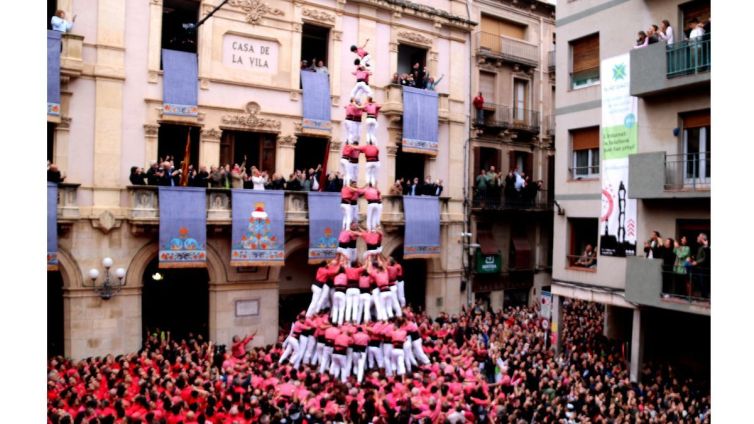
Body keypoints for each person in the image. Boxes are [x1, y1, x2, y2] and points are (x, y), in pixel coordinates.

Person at [691, 233, 710, 298]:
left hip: (703, 268)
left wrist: (697, 262)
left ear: (702, 238)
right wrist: (693, 258)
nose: (697, 237)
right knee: (699, 283)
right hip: (698, 267)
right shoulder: (699, 246)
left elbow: (705, 258)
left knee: (703, 283)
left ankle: (705, 297)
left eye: (699, 236)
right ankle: (702, 296)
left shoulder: (705, 247)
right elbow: (698, 256)